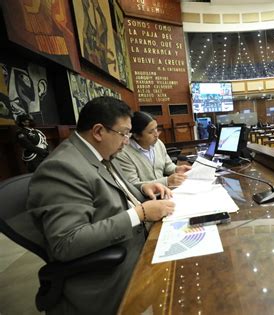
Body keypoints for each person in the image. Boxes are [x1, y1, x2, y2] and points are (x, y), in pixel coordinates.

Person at [27, 97, 175, 314]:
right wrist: (140, 213)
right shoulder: (62, 168)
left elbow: (119, 194)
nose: (127, 140)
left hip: (136, 244)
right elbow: (67, 242)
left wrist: (144, 188)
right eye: (124, 134)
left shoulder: (101, 154)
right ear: (98, 131)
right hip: (112, 271)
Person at [116, 111, 192, 187]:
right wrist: (166, 181)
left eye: (156, 129)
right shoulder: (123, 153)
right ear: (136, 136)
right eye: (151, 132)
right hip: (146, 197)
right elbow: (133, 185)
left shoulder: (158, 143)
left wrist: (177, 169)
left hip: (165, 192)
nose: (156, 134)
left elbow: (167, 165)